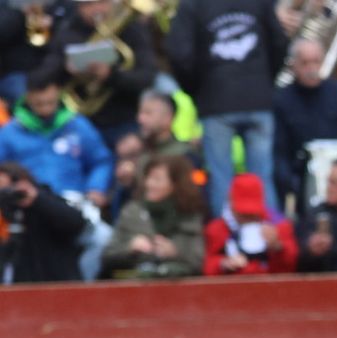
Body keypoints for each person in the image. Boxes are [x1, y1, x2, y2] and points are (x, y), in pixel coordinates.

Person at [165, 0, 288, 218]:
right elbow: (280, 42)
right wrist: (265, 81)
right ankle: (271, 243)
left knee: (222, 180)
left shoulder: (192, 5)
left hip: (216, 103)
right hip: (258, 99)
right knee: (262, 180)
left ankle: (224, 245)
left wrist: (198, 89)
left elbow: (178, 53)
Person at [0, 68, 112, 280]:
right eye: (39, 103)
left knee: (103, 239)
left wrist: (96, 187)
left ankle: (79, 287)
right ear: (28, 97)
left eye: (50, 102)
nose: (45, 109)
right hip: (27, 209)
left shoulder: (77, 125)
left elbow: (101, 161)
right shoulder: (10, 132)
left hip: (73, 205)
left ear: (58, 94)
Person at [273, 39, 337, 212]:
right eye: (305, 63)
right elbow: (280, 150)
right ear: (293, 65)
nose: (311, 69)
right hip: (304, 177)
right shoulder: (282, 100)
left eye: (316, 62)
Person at [46, 0, 157, 145]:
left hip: (123, 121)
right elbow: (42, 77)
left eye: (102, 2)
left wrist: (110, 75)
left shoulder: (133, 31)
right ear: (79, 7)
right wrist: (65, 69)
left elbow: (147, 77)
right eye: (89, 4)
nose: (96, 9)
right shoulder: (66, 33)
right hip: (78, 123)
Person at [101, 155, 205, 279]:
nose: (149, 184)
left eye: (157, 179)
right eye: (148, 177)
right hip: (132, 286)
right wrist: (129, 248)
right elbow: (106, 258)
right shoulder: (132, 211)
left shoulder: (189, 214)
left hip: (178, 289)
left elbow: (198, 260)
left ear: (175, 184)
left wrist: (175, 251)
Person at [0, 161, 87, 284]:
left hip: (54, 285)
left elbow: (76, 223)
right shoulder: (4, 214)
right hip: (16, 288)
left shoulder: (45, 202)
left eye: (7, 188)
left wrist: (37, 199)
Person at [202, 172, 298, 276]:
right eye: (243, 213)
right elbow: (206, 266)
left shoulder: (278, 227)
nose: (248, 218)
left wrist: (278, 247)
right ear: (231, 204)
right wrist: (223, 264)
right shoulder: (217, 229)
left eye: (252, 213)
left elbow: (291, 264)